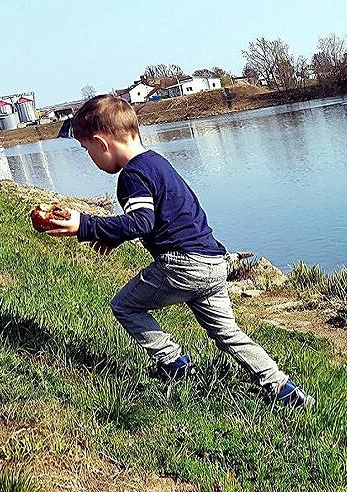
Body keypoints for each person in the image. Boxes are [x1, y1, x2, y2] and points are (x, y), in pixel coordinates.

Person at [45, 95, 314, 409]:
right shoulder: (157, 163)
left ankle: (174, 365)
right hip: (213, 261)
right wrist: (114, 236)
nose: (90, 157)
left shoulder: (132, 176)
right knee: (228, 333)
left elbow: (141, 222)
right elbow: (163, 218)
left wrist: (85, 225)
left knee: (125, 306)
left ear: (101, 143)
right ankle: (283, 390)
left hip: (183, 264)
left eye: (86, 150)